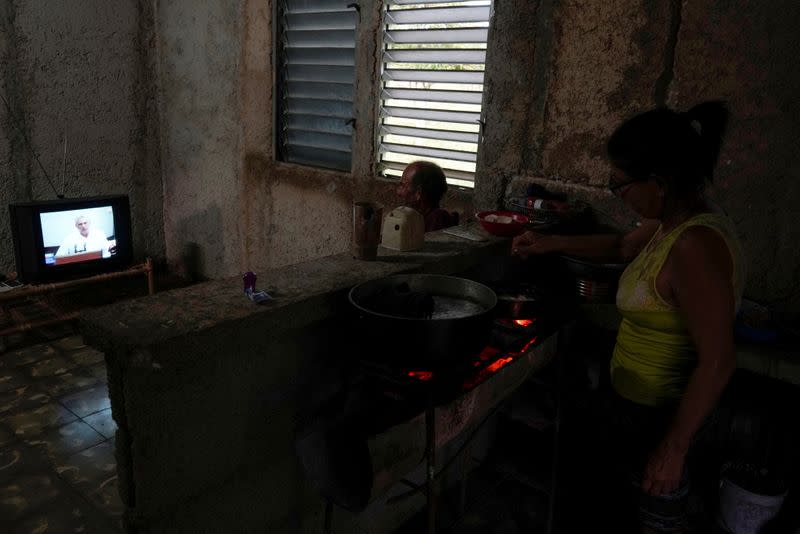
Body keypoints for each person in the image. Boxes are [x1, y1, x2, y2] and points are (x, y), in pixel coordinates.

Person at [512, 101, 745, 532]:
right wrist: (548, 244)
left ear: (658, 182)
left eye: (620, 184)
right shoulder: (673, 223)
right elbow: (620, 247)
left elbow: (719, 360)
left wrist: (674, 448)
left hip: (659, 418)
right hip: (631, 405)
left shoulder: (694, 244)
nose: (618, 194)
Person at [396, 161, 459, 232]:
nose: (398, 192)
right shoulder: (414, 219)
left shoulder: (437, 221)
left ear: (418, 193)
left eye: (403, 186)